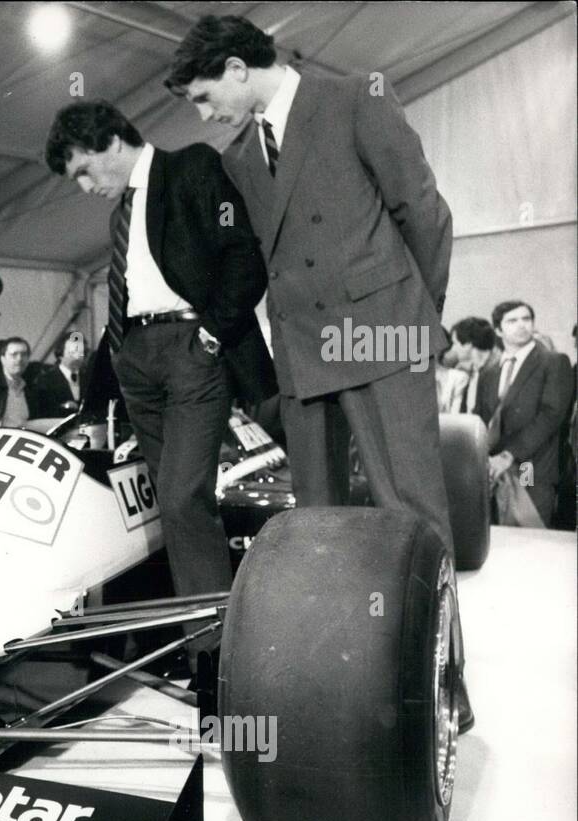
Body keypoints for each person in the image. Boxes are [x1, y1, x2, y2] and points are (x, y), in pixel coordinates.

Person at [167, 15, 473, 726]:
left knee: (414, 517)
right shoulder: (242, 155)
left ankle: (442, 690)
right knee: (319, 530)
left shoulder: (353, 98)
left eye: (206, 96)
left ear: (239, 69)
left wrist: (410, 323)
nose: (206, 114)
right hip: (303, 355)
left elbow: (424, 211)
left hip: (380, 337)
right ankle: (348, 695)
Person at [44, 99, 274, 694]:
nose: (85, 186)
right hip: (135, 356)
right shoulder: (122, 212)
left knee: (181, 499)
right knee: (167, 508)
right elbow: (120, 302)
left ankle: (220, 663)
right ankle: (190, 638)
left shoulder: (191, 166)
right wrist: (100, 393)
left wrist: (209, 335)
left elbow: (243, 257)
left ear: (109, 141)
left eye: (84, 171)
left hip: (191, 346)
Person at [475, 300, 575, 525]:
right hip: (493, 472)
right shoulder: (489, 372)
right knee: (498, 542)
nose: (522, 325)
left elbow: (551, 416)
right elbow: (481, 418)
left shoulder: (554, 362)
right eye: (513, 321)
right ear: (499, 330)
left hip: (530, 467)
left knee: (530, 538)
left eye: (526, 319)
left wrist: (508, 455)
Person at [447, 316, 500, 416]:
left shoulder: (497, 371)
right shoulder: (472, 371)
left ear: (468, 344)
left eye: (455, 343)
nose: (453, 349)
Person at [0, 337, 36, 428]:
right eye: (14, 354)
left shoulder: (29, 389)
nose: (19, 359)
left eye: (24, 354)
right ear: (2, 359)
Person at [33, 330, 90, 416]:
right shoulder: (45, 380)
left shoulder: (90, 379)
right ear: (60, 354)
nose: (77, 355)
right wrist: (63, 408)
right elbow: (42, 412)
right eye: (73, 351)